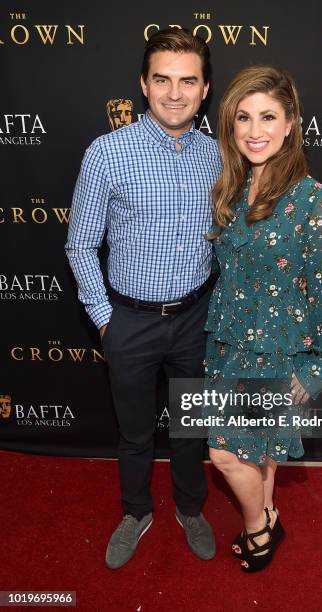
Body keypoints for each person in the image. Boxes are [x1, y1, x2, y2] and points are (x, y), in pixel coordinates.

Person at [65, 28, 221, 569]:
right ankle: (135, 512)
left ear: (205, 90)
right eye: (162, 80)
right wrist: (107, 321)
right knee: (133, 433)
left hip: (198, 316)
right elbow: (80, 243)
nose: (174, 93)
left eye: (187, 81)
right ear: (143, 85)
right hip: (129, 320)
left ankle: (190, 507)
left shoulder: (219, 156)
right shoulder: (107, 153)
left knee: (189, 427)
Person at [204, 65, 322, 572]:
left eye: (268, 116)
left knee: (226, 455)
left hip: (275, 356)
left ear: (291, 122)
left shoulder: (317, 201)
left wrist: (317, 368)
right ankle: (268, 510)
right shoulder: (233, 186)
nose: (254, 130)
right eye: (243, 118)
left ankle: (258, 532)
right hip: (227, 345)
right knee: (259, 453)